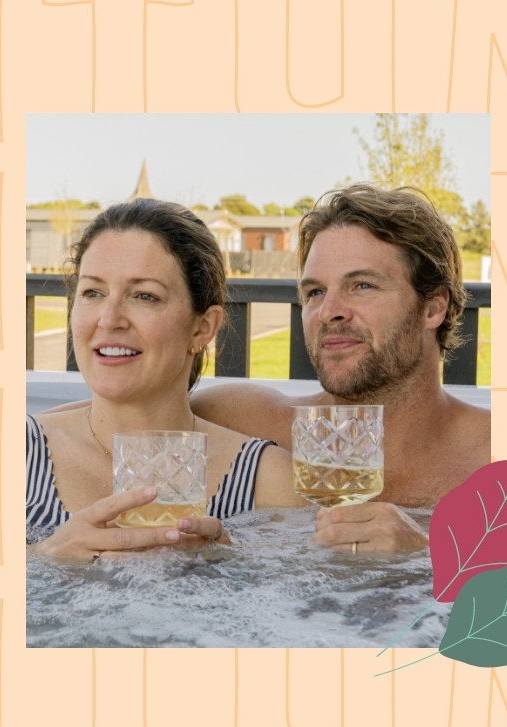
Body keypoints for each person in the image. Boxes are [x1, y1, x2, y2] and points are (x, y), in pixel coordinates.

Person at [190, 184, 491, 552]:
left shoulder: (501, 458)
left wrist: (427, 553)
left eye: (362, 285)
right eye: (315, 292)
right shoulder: (238, 420)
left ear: (433, 308)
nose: (328, 311)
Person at [27, 198, 321, 560]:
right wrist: (41, 555)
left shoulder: (269, 483)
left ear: (202, 328)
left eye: (145, 296)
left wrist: (229, 567)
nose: (109, 319)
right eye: (93, 293)